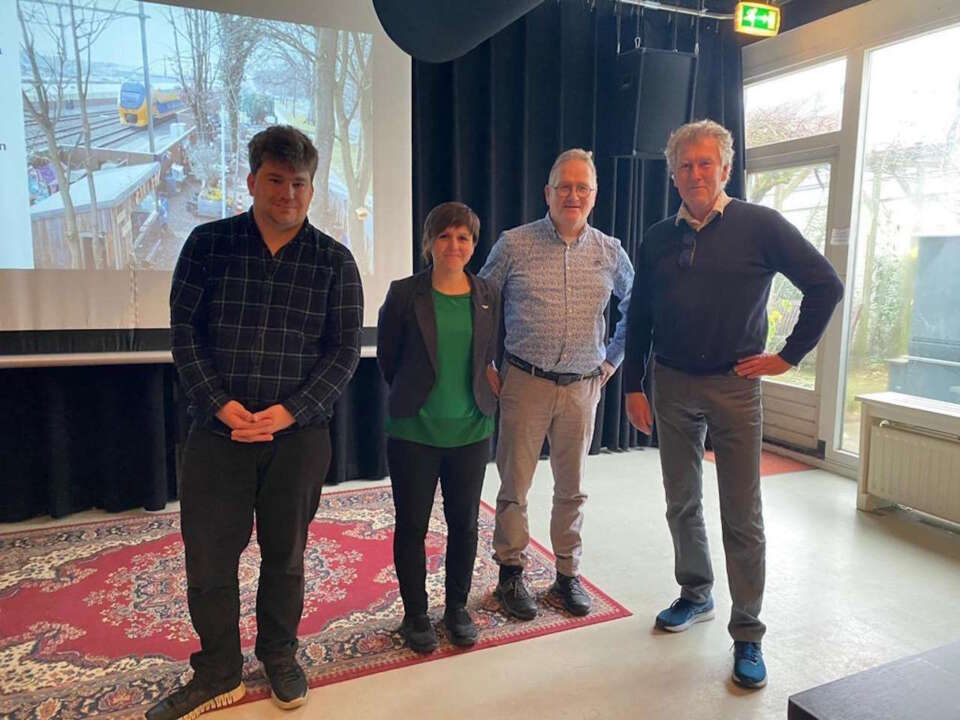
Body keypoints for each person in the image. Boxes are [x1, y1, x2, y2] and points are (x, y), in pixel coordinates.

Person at [148, 126, 363, 720]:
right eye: (275, 180)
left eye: (299, 183)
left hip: (298, 438)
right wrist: (220, 404)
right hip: (216, 435)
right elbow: (185, 337)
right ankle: (218, 671)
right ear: (252, 181)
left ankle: (278, 653)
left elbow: (344, 351)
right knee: (210, 559)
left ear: (312, 188)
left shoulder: (334, 262)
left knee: (286, 555)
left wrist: (290, 411)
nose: (287, 193)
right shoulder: (207, 245)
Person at [623, 119, 843, 689]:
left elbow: (825, 285)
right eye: (685, 165)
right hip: (670, 384)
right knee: (681, 501)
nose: (695, 173)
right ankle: (695, 594)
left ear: (725, 168)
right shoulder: (656, 237)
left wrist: (789, 357)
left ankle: (748, 633)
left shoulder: (761, 226)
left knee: (741, 514)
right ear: (673, 175)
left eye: (705, 163)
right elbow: (641, 314)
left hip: (735, 386)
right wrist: (632, 385)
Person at [479, 148, 634, 620]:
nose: (572, 194)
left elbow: (638, 309)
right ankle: (510, 573)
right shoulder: (514, 244)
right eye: (563, 186)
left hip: (583, 387)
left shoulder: (611, 252)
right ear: (547, 193)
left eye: (581, 187)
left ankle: (567, 576)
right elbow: (481, 303)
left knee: (573, 488)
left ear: (594, 196)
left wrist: (611, 363)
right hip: (525, 382)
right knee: (515, 486)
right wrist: (486, 361)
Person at [377, 201, 500, 653]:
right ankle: (415, 615)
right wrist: (415, 396)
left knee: (464, 525)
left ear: (473, 245)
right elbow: (389, 360)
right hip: (415, 432)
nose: (454, 245)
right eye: (445, 236)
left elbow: (488, 353)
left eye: (463, 237)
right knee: (412, 525)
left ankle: (456, 609)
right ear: (429, 242)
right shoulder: (404, 293)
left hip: (471, 430)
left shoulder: (488, 292)